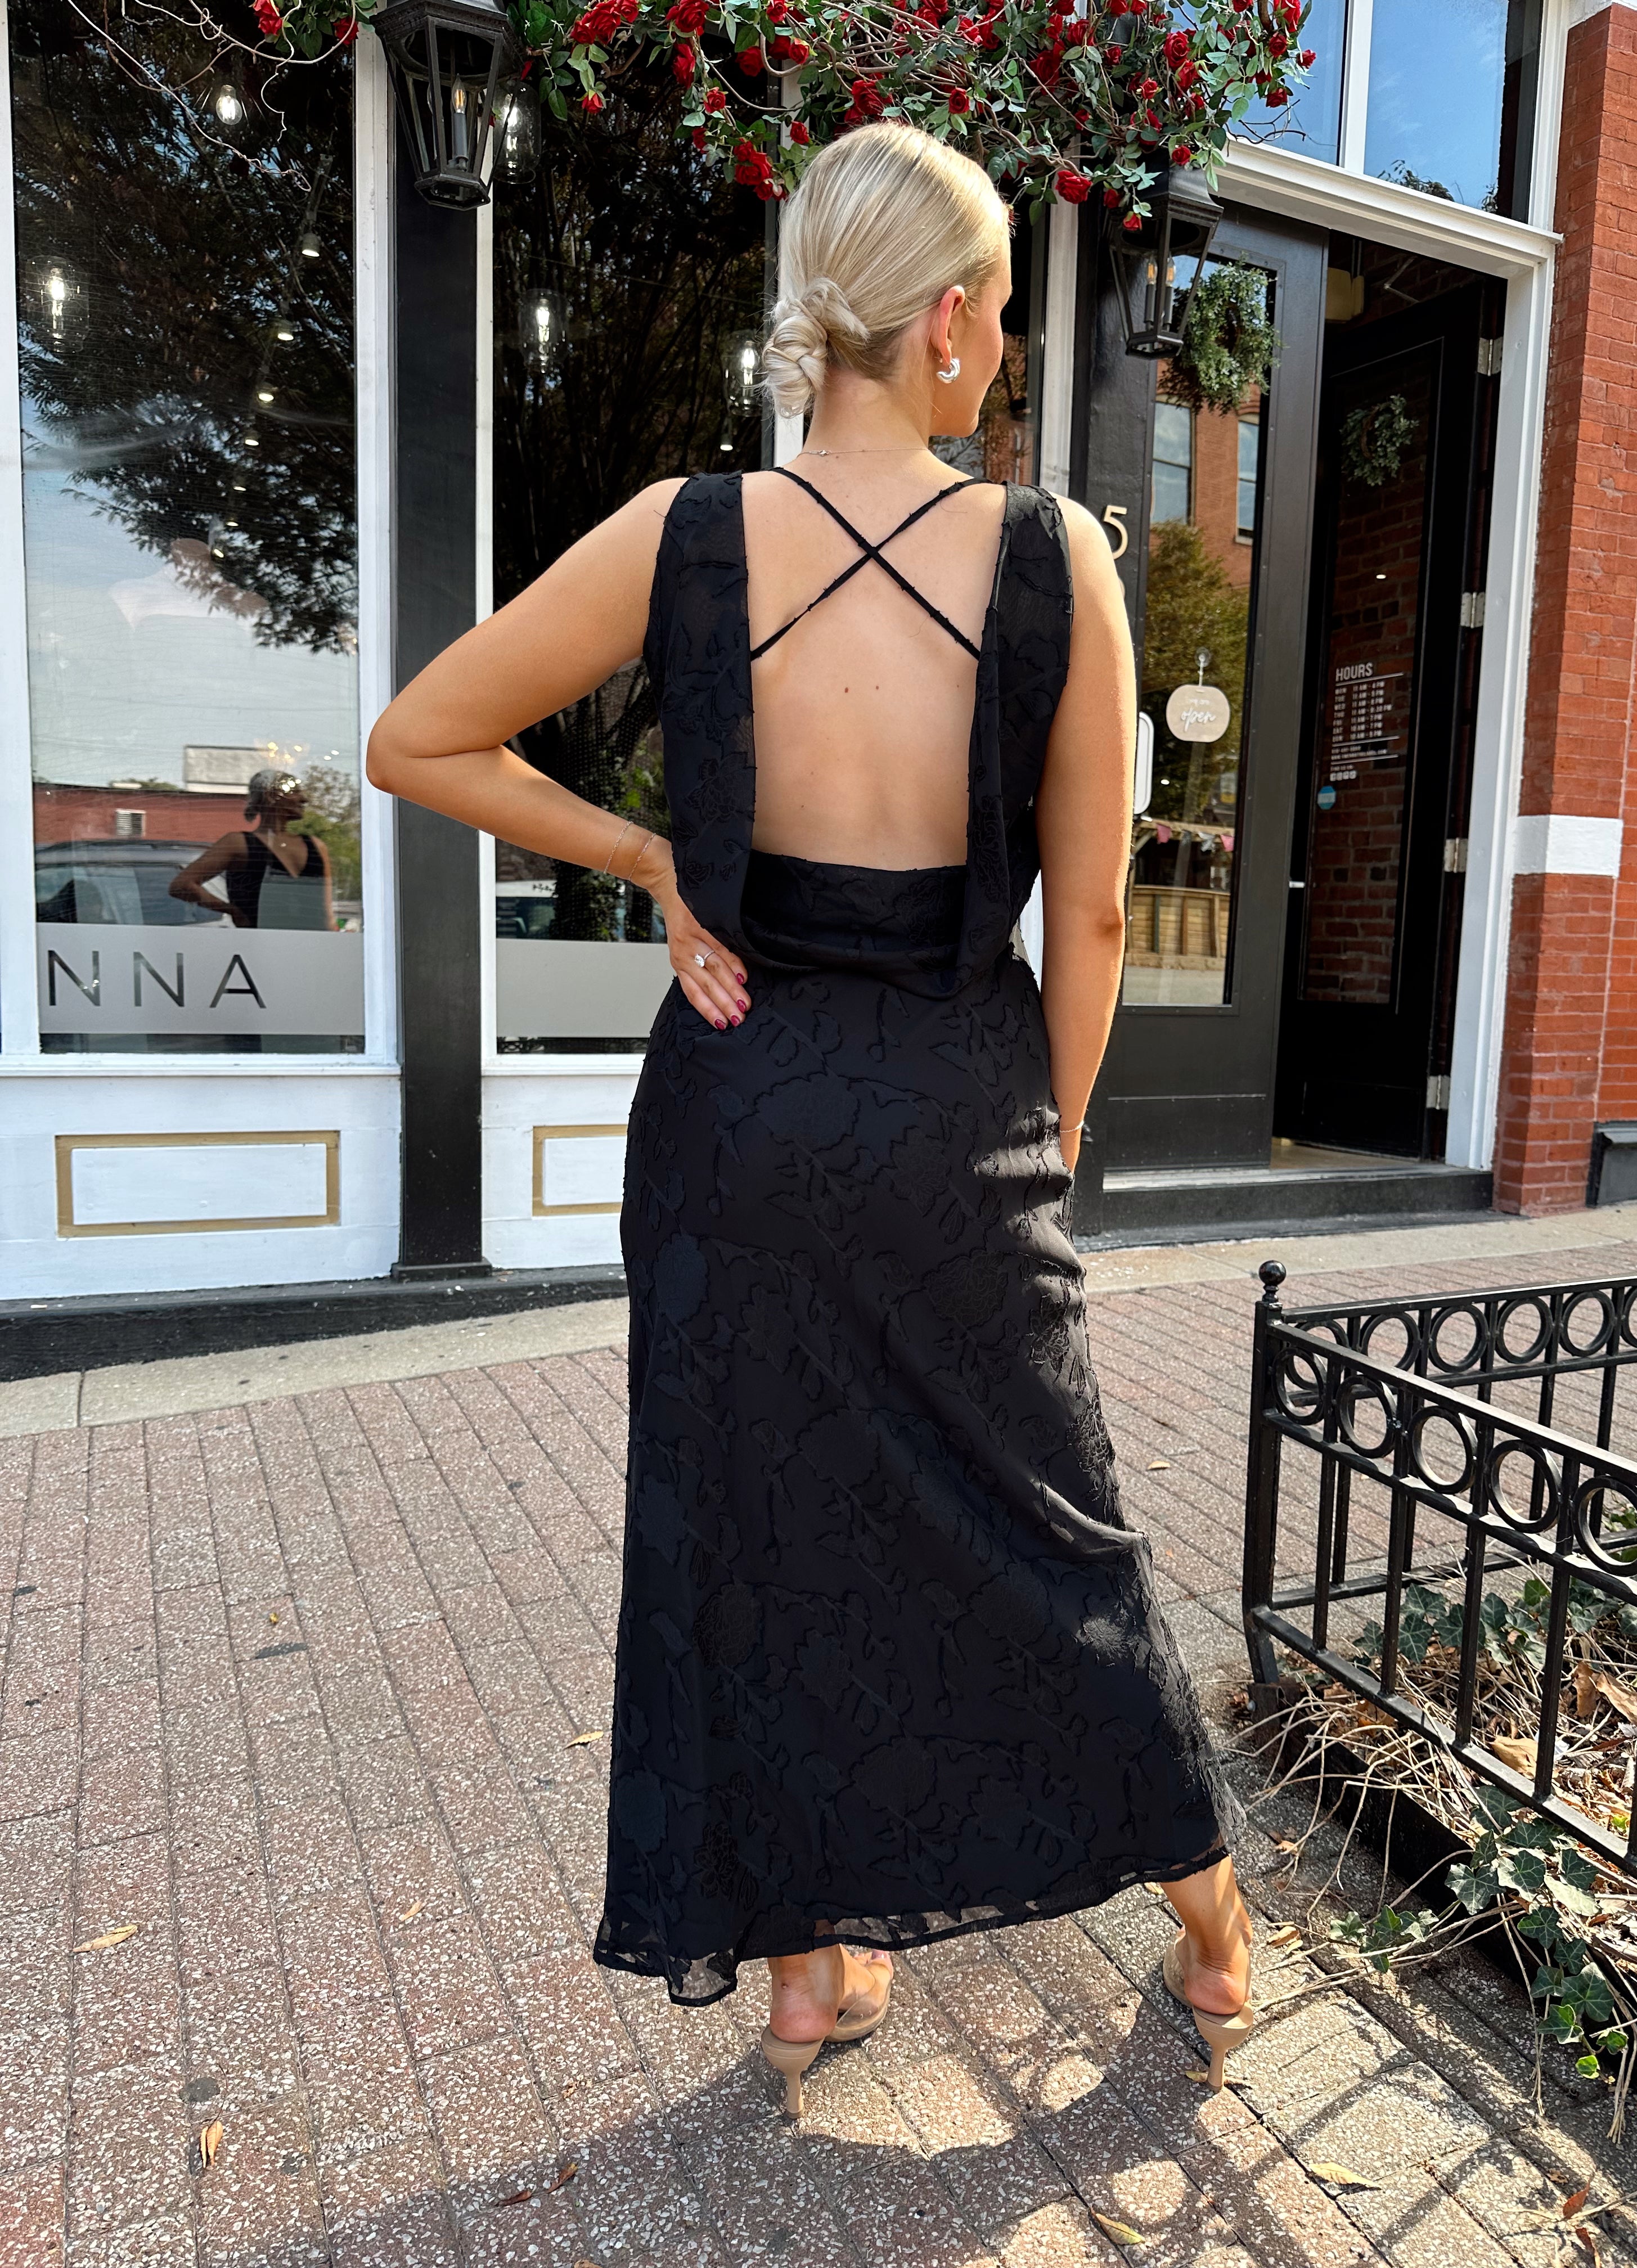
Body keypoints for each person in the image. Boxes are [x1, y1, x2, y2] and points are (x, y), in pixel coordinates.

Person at [366, 122, 1254, 2118]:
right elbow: (1094, 901)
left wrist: (658, 869)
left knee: (754, 1532)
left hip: (731, 1112)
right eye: (1004, 309)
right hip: (954, 1106)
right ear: (940, 322)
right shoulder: (1054, 562)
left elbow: (412, 736)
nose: (1009, 344)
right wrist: (1047, 1135)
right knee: (1049, 1534)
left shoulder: (680, 533)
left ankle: (800, 1973)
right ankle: (1203, 1923)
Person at [168, 768, 334, 929]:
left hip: (305, 946)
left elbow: (326, 914)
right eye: (294, 792)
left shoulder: (315, 846)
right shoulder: (239, 843)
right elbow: (182, 885)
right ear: (272, 796)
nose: (304, 799)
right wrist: (233, 911)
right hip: (261, 947)